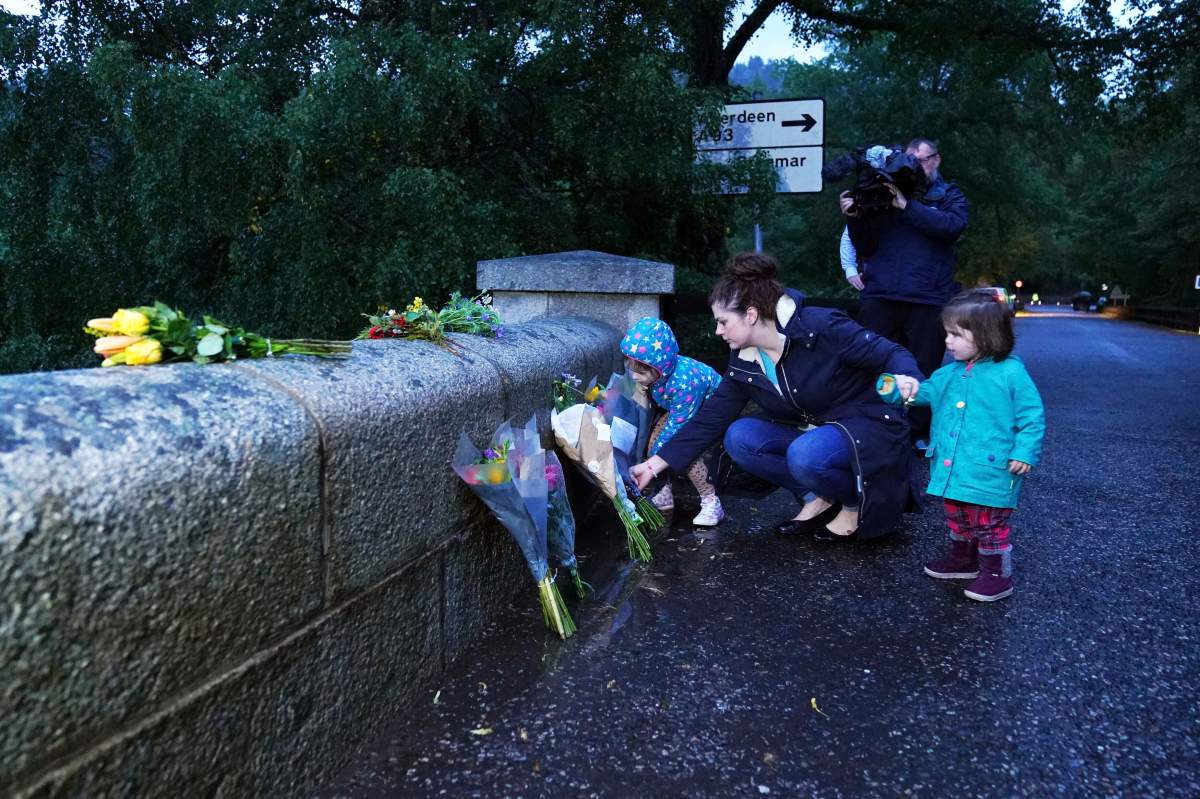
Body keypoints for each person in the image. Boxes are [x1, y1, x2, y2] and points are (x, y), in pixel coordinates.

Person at [630, 253, 924, 541]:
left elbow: (891, 352)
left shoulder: (820, 327)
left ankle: (853, 502)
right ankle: (818, 497)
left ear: (751, 315)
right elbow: (711, 417)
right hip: (818, 429)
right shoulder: (744, 359)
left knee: (804, 454)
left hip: (866, 424)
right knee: (740, 437)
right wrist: (653, 465)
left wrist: (907, 377)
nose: (718, 331)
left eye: (723, 321)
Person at [877, 289, 1045, 601]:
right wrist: (894, 386)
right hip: (954, 467)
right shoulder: (948, 374)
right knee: (959, 515)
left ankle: (997, 574)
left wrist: (1024, 451)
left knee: (989, 523)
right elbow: (919, 395)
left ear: (985, 335)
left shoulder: (1011, 373)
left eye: (955, 335)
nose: (947, 341)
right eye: (947, 334)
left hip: (992, 468)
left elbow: (1032, 417)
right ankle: (963, 559)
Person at [840, 137, 970, 448]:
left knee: (922, 367)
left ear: (936, 160)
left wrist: (907, 206)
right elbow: (866, 246)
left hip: (928, 296)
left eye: (921, 160)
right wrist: (854, 218)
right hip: (881, 294)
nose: (913, 167)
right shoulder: (883, 192)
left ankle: (916, 433)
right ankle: (870, 426)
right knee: (870, 361)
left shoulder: (950, 195)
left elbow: (950, 228)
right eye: (909, 159)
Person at [621, 317, 725, 527]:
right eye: (630, 368)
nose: (634, 376)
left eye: (640, 373)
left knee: (684, 454)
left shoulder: (683, 382)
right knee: (654, 444)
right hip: (681, 410)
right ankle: (664, 493)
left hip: (708, 413)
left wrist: (660, 457)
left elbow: (680, 426)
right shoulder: (658, 376)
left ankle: (711, 500)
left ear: (660, 368)